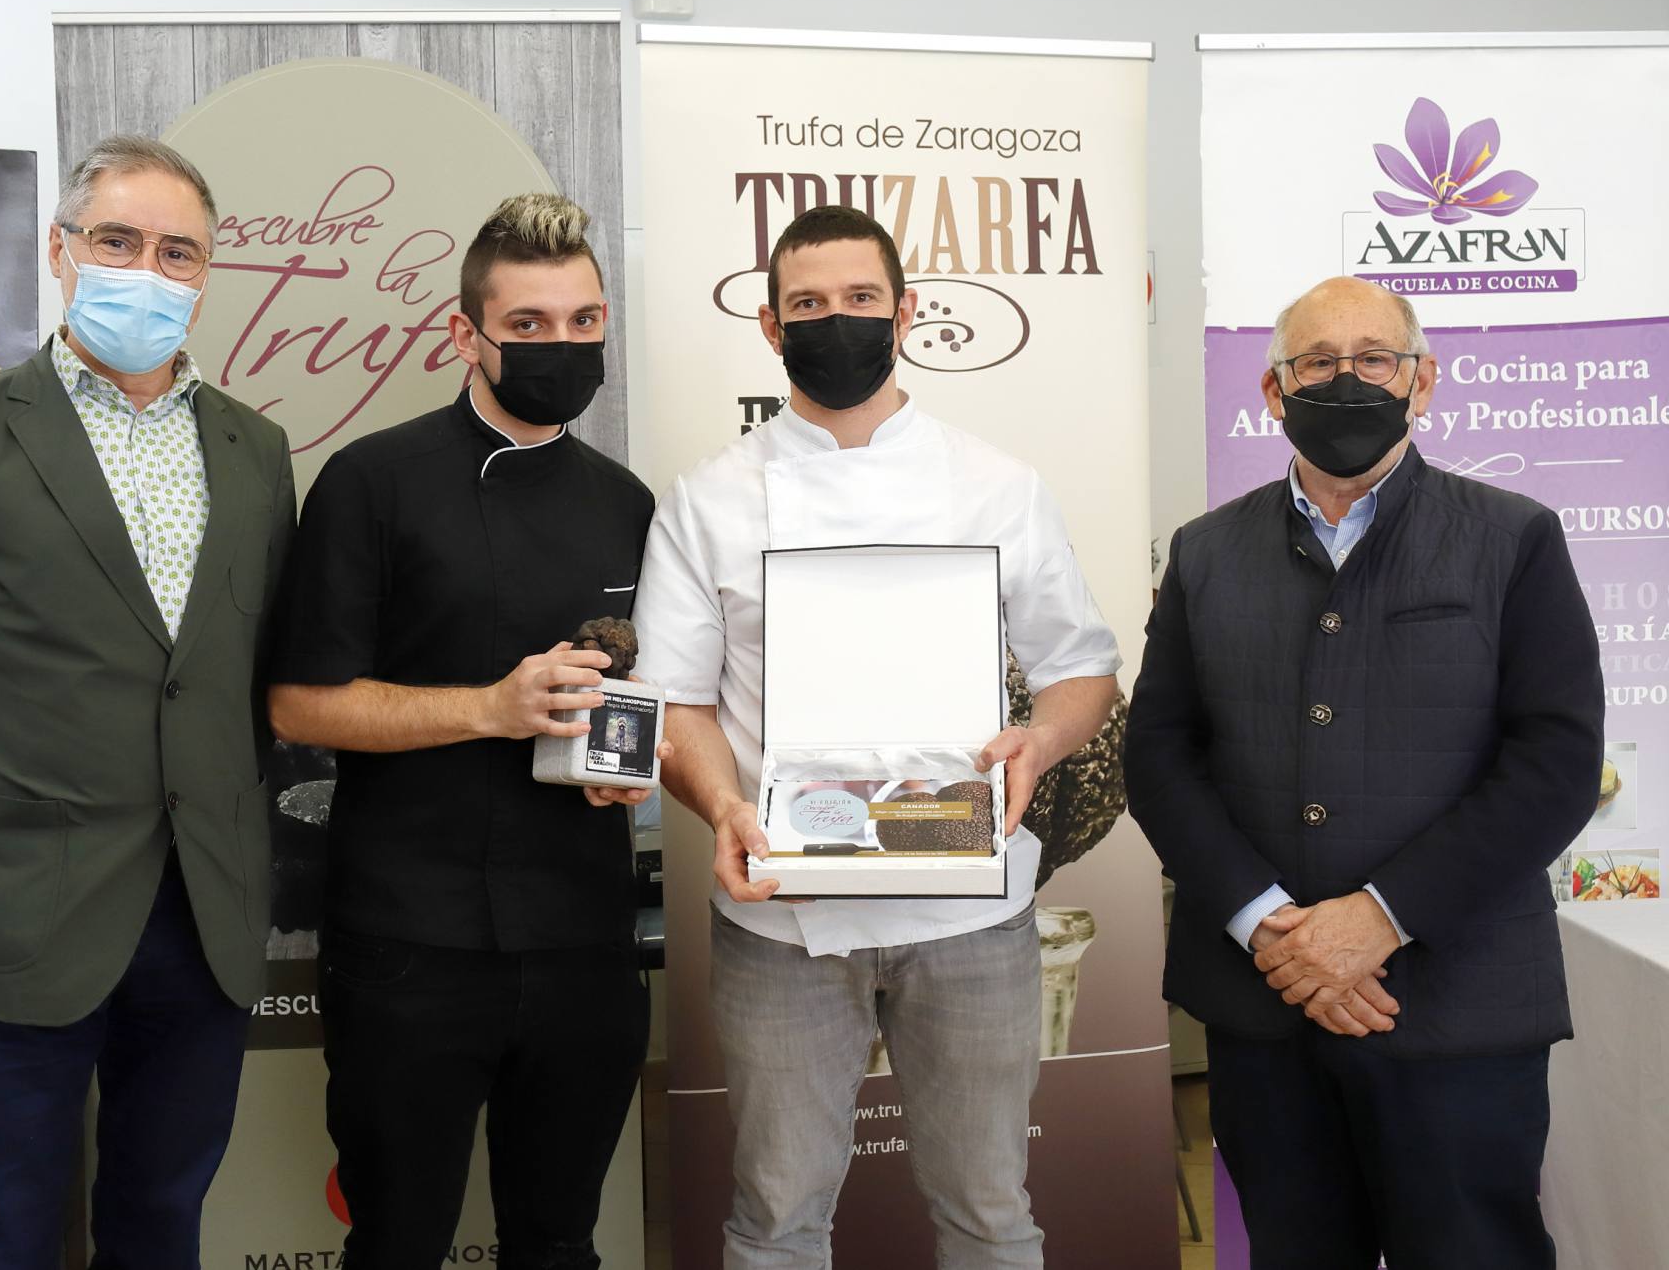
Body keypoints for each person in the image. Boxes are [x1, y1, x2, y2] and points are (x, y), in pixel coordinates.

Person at [632, 204, 1120, 1268]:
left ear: (905, 313)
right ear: (771, 327)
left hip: (971, 909)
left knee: (991, 1211)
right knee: (775, 1219)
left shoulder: (999, 484)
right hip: (781, 915)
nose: (836, 320)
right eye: (808, 304)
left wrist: (1040, 742)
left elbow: (1083, 671)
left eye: (860, 298)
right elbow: (678, 701)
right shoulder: (708, 500)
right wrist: (724, 806)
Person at [0, 134, 297, 1268]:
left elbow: (243, 682)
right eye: (118, 240)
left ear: (206, 273)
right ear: (61, 251)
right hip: (16, 912)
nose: (148, 270)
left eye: (178, 251)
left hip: (202, 919)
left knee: (162, 1223)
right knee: (1, 1235)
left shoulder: (256, 450)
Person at [1125, 276, 1603, 1269]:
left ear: (1421, 381)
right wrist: (1271, 925)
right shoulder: (1206, 553)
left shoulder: (1514, 538)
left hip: (1458, 1005)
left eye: (1374, 358)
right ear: (1274, 390)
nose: (1346, 380)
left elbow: (1554, 763)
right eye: (1317, 362)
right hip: (1266, 1006)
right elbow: (1161, 755)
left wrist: (1379, 917)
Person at [267, 194, 658, 1270]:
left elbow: (637, 685)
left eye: (583, 321)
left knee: (560, 1240)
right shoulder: (371, 482)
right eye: (529, 324)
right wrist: (490, 706)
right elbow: (299, 703)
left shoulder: (627, 502)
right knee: (398, 1242)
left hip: (583, 938)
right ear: (466, 334)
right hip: (409, 943)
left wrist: (626, 766)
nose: (561, 345)